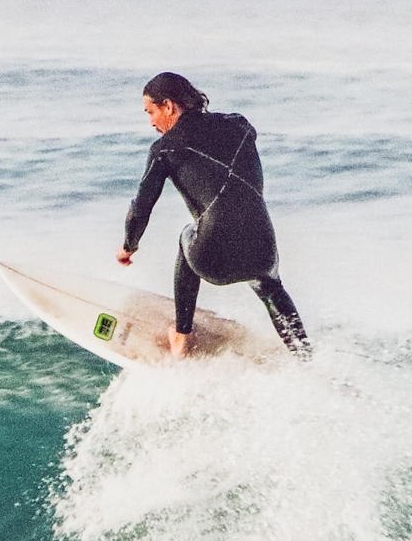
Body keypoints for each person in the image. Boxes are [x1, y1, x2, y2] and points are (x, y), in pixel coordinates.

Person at [116, 72, 311, 360]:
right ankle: (306, 357)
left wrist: (128, 246)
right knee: (270, 286)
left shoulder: (164, 149)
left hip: (213, 260)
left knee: (187, 234)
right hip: (263, 252)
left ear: (168, 106)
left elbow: (141, 208)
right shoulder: (240, 125)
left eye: (151, 112)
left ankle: (182, 335)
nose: (152, 123)